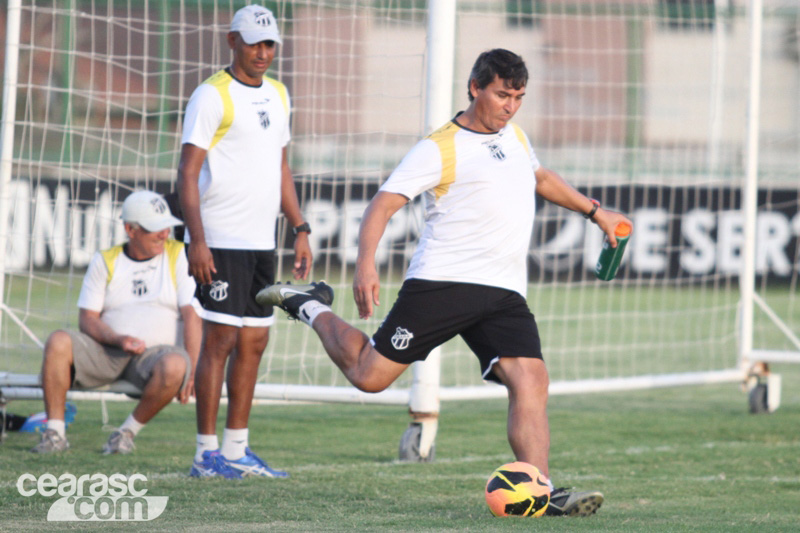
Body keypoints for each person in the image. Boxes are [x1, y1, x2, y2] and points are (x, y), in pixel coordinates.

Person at [258, 49, 632, 516]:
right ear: (475, 88)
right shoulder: (439, 147)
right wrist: (366, 265)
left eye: (518, 96)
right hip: (443, 284)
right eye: (502, 95)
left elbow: (541, 179)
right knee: (369, 377)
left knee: (531, 378)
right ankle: (309, 303)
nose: (510, 106)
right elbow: (382, 205)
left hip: (503, 292)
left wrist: (597, 213)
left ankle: (541, 490)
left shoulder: (514, 136)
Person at [178, 4, 313, 479]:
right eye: (254, 42)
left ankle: (236, 450)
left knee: (254, 342)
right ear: (232, 40)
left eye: (270, 43)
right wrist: (197, 241)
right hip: (219, 239)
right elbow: (187, 173)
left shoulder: (278, 93)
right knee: (220, 340)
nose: (263, 52)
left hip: (261, 241)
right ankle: (205, 454)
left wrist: (299, 227)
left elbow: (280, 168)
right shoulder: (210, 96)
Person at [31, 190, 200, 455]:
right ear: (130, 230)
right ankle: (54, 434)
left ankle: (125, 433)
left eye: (166, 227)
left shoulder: (178, 254)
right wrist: (118, 339)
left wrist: (193, 366)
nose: (164, 234)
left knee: (177, 365)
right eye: (155, 228)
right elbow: (87, 318)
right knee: (58, 341)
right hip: (107, 350)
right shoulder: (105, 259)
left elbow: (192, 314)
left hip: (155, 356)